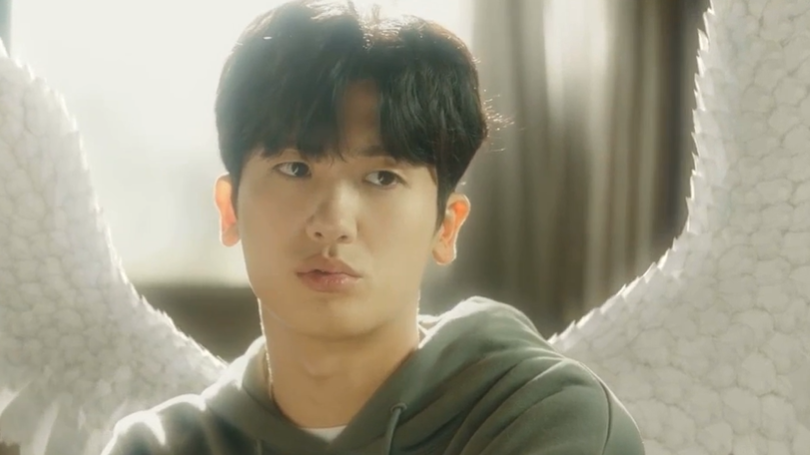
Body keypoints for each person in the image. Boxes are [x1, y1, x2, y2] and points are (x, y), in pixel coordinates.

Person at [101, 0, 645, 453]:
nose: (332, 224)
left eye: (382, 178)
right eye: (295, 168)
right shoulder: (159, 447)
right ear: (229, 211)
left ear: (446, 226)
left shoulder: (546, 418)